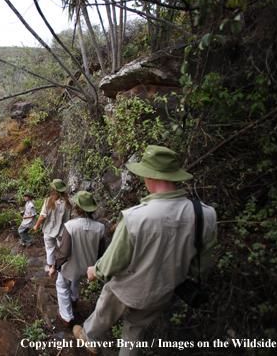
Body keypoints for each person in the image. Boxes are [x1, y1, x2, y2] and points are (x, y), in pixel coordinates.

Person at [72, 145, 218, 356]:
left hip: (126, 287)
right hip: (163, 290)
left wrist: (96, 271)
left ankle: (90, 338)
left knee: (104, 312)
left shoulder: (136, 217)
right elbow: (197, 269)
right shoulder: (205, 215)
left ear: (149, 177)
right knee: (134, 331)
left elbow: (115, 259)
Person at [49, 191, 106, 328]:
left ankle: (67, 316)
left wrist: (54, 266)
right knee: (76, 279)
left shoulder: (70, 226)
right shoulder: (101, 228)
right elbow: (102, 252)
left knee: (62, 285)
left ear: (76, 208)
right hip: (88, 268)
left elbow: (64, 252)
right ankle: (74, 298)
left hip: (72, 267)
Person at [33, 179, 73, 273]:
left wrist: (36, 226)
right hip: (63, 232)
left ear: (53, 190)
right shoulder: (70, 201)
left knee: (49, 249)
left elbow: (42, 217)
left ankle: (50, 267)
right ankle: (61, 267)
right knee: (63, 250)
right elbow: (72, 217)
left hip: (49, 230)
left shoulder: (48, 201)